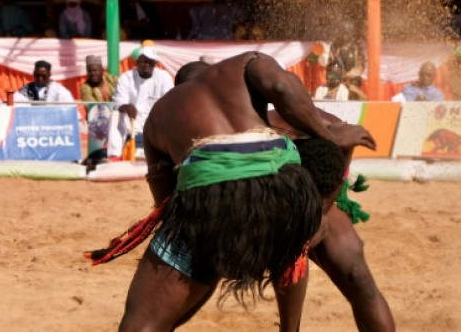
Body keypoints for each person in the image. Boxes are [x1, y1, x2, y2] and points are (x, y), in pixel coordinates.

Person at [88, 52, 393, 331]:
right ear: (214, 71)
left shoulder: (161, 113)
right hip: (292, 197)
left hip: (216, 205)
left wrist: (208, 260)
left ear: (178, 90)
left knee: (141, 323)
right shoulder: (244, 63)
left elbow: (169, 207)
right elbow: (285, 88)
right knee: (332, 261)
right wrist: (327, 139)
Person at [107, 45, 174, 157]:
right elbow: (118, 101)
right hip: (132, 121)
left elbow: (171, 101)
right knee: (115, 115)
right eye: (143, 61)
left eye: (150, 62)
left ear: (155, 64)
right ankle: (114, 155)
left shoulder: (164, 77)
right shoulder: (126, 77)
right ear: (137, 62)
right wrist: (126, 106)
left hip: (155, 123)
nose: (146, 65)